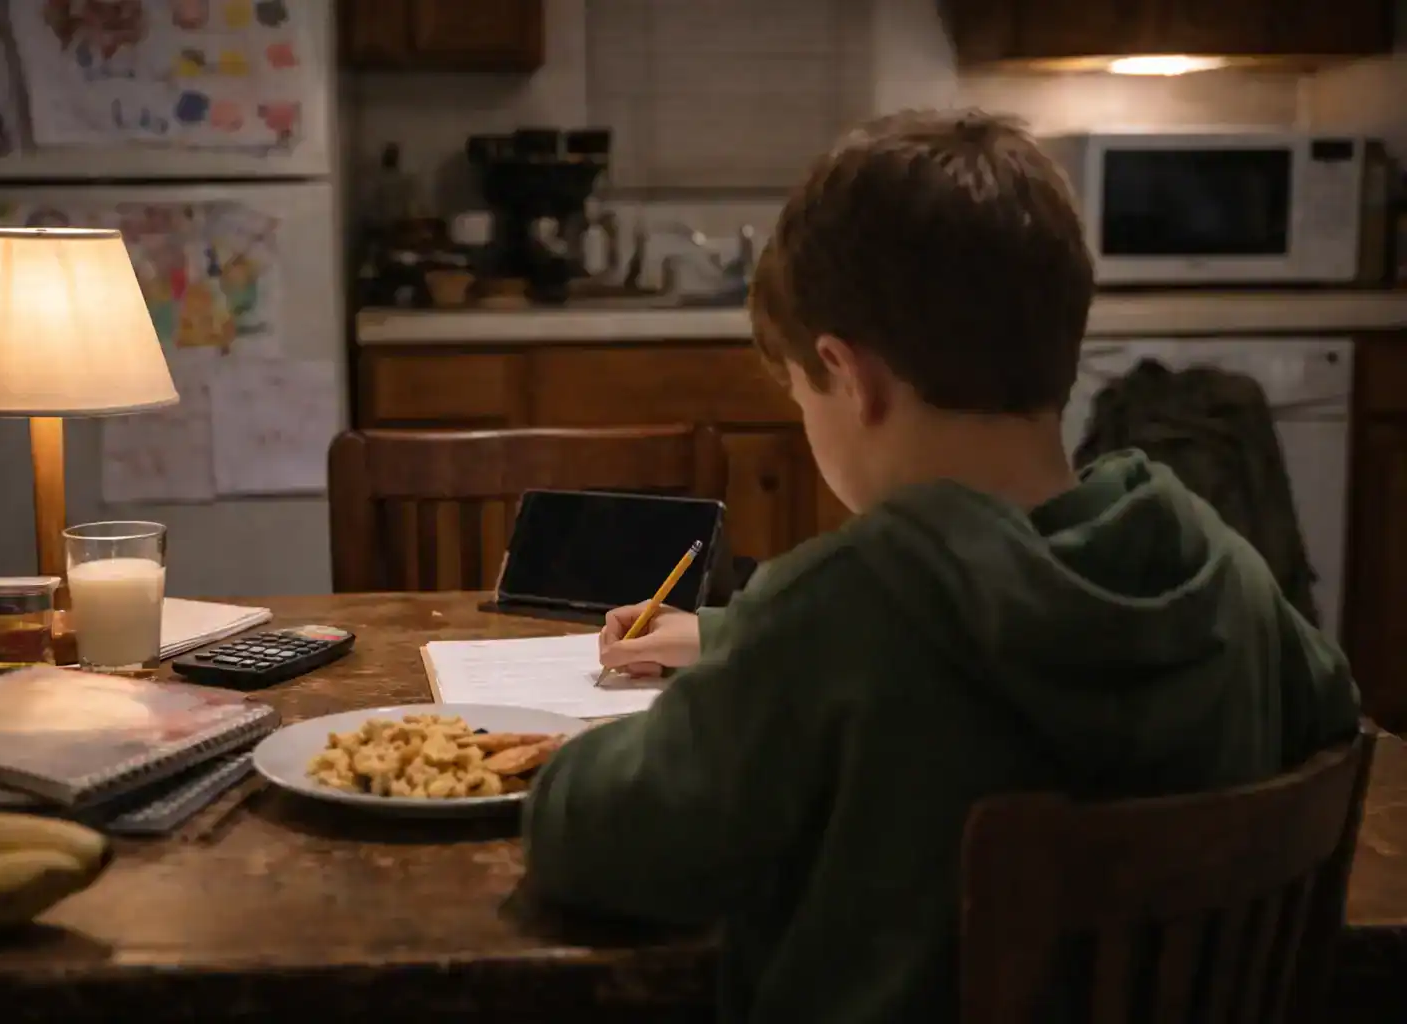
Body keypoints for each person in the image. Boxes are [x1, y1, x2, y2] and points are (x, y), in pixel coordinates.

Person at [520, 110, 1361, 1024]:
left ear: (850, 377)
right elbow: (1332, 721)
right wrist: (739, 636)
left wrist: (570, 760)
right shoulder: (1223, 575)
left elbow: (596, 841)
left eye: (802, 395)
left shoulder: (851, 606)